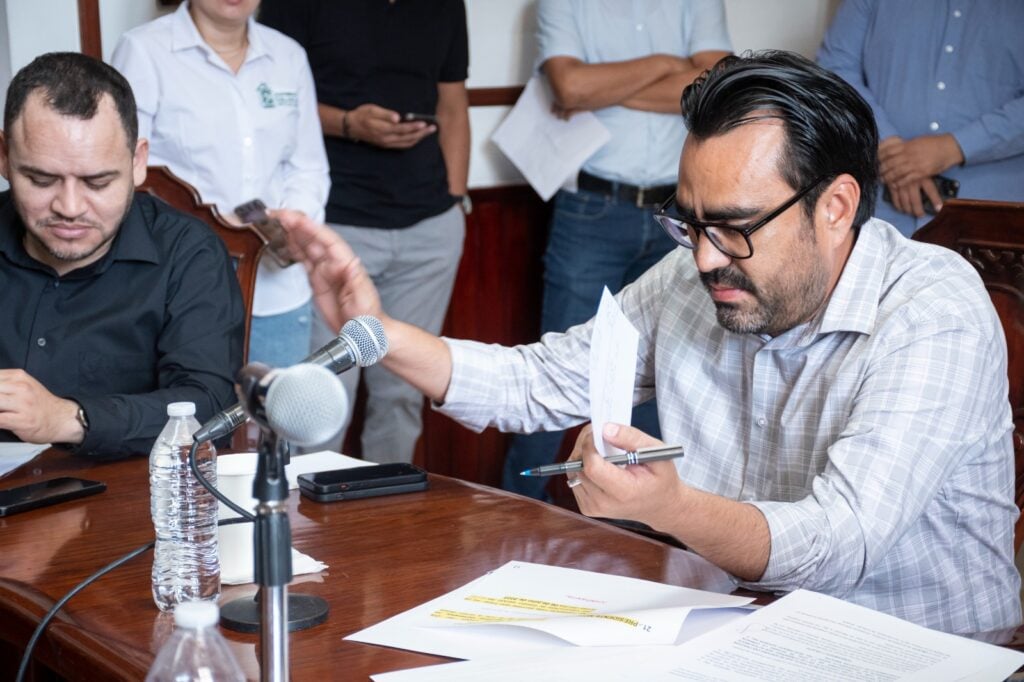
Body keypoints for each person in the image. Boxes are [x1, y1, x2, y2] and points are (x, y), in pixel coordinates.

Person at [278, 50, 1020, 634]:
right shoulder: (693, 274)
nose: (703, 257)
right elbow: (538, 381)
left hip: (919, 648)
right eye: (689, 223)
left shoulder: (931, 309)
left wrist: (670, 508)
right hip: (738, 626)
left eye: (733, 227)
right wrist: (374, 334)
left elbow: (841, 541)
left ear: (836, 206)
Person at [503, 0, 732, 499]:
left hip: (680, 216)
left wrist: (606, 87)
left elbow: (715, 84)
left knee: (666, 385)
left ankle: (645, 534)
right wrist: (668, 65)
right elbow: (570, 87)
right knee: (553, 375)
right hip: (592, 209)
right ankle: (512, 516)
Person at [0, 52, 243, 458]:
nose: (70, 206)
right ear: (5, 158)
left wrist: (68, 418)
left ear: (137, 162)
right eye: (41, 179)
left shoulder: (188, 253)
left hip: (128, 503)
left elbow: (210, 409)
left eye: (97, 182)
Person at [259, 0, 470, 464]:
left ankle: (385, 524)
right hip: (336, 225)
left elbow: (453, 105)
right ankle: (305, 531)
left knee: (403, 391)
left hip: (430, 226)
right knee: (321, 393)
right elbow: (274, 98)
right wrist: (350, 124)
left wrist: (455, 200)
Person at [111, 0, 330, 368]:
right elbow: (124, 168)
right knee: (192, 416)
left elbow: (307, 166)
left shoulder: (288, 55)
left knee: (277, 418)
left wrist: (291, 224)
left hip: (276, 286)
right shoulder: (144, 50)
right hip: (178, 280)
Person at [817, 0, 1024, 236]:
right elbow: (834, 69)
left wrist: (956, 147)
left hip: (994, 224)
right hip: (876, 210)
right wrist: (886, 146)